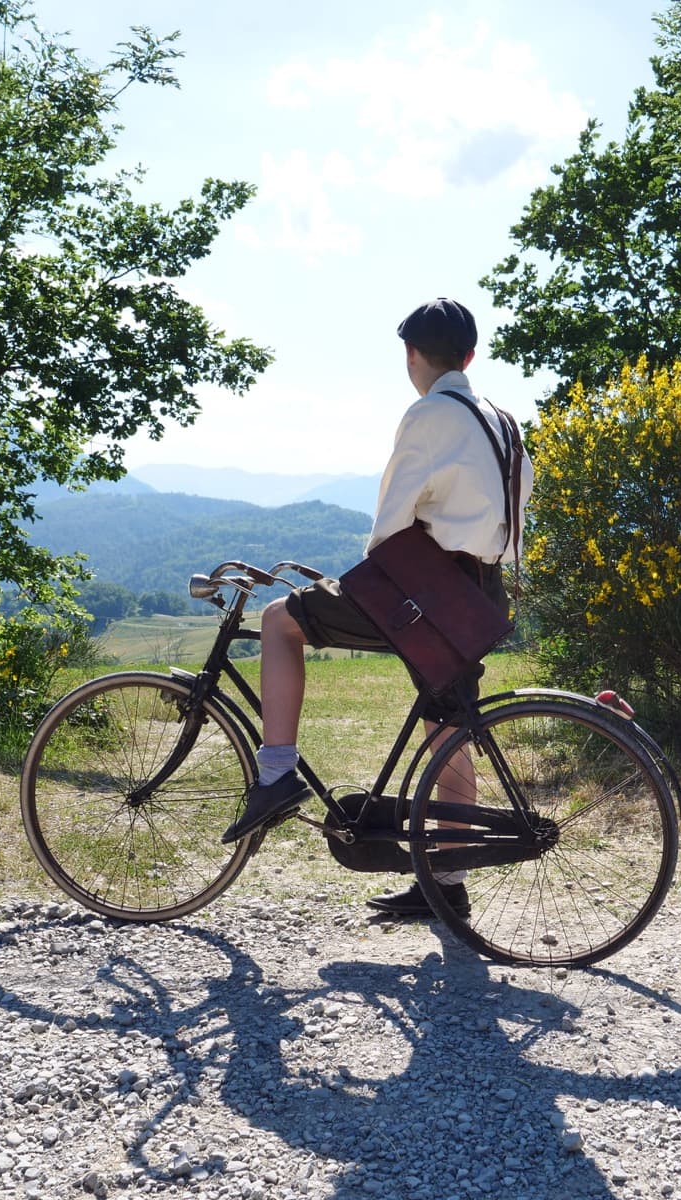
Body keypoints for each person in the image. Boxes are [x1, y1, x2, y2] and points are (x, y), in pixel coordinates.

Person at [219, 298, 534, 917]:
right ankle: (445, 887)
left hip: (427, 589)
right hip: (480, 592)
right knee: (449, 732)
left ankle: (276, 774)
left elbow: (390, 527)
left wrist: (363, 584)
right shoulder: (502, 419)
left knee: (281, 619)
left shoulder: (429, 413)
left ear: (411, 355)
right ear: (469, 356)